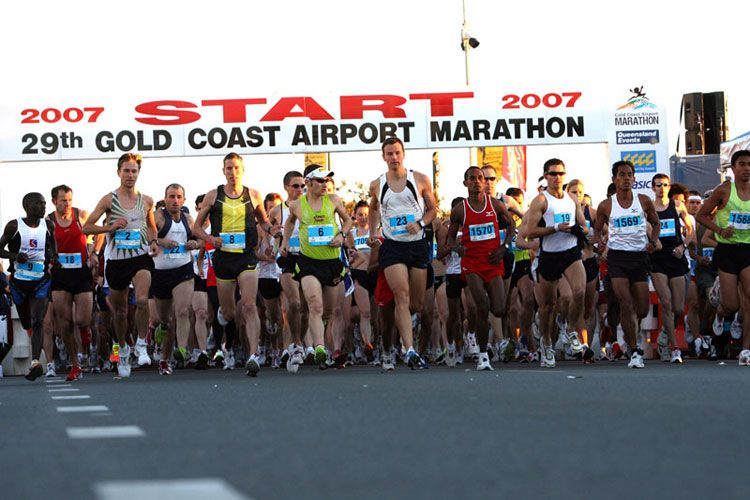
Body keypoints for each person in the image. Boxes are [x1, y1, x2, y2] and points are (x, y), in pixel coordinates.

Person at [193, 152, 280, 377]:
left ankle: (253, 355)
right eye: (229, 168)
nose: (233, 172)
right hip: (223, 259)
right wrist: (211, 239)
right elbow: (196, 228)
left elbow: (263, 221)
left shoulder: (254, 194)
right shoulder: (213, 195)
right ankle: (224, 315)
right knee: (230, 313)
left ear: (243, 170)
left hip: (246, 257)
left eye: (236, 168)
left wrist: (272, 230)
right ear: (223, 171)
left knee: (250, 305)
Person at [82, 153, 158, 377]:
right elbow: (86, 227)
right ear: (119, 172)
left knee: (143, 300)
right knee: (121, 313)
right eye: (126, 170)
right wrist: (110, 228)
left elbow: (152, 227)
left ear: (138, 174)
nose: (130, 175)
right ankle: (123, 349)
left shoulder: (147, 201)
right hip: (116, 261)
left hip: (140, 257)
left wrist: (153, 242)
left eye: (134, 171)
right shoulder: (109, 199)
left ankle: (142, 344)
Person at [367, 137, 437, 369]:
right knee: (401, 296)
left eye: (397, 153)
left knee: (416, 304)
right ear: (383, 157)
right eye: (389, 154)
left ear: (403, 154)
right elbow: (373, 208)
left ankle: (403, 332)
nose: (394, 158)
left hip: (417, 245)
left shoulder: (420, 179)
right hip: (392, 246)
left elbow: (433, 210)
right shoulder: (377, 184)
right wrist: (372, 231)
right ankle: (409, 350)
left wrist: (420, 223)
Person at [280, 164, 353, 369]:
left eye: (327, 180)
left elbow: (348, 221)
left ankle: (314, 340)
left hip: (331, 263)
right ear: (309, 183)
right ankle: (319, 348)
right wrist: (285, 240)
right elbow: (290, 223)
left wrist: (342, 235)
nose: (325, 184)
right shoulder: (297, 204)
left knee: (328, 312)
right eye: (320, 180)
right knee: (315, 305)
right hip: (308, 263)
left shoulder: (334, 200)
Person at [594, 160, 661, 368]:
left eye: (629, 175)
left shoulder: (644, 201)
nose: (625, 178)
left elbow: (656, 222)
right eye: (621, 175)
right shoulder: (606, 205)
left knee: (641, 309)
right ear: (615, 179)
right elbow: (596, 230)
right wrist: (600, 244)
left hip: (639, 258)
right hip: (617, 258)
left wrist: (653, 241)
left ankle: (632, 334)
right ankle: (633, 350)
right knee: (625, 302)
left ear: (634, 178)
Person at [445, 167, 514, 370]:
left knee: (499, 309)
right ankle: (483, 355)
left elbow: (511, 226)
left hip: (493, 261)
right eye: (472, 178)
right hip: (472, 263)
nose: (476, 181)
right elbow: (449, 237)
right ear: (465, 183)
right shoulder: (460, 210)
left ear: (485, 182)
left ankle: (475, 334)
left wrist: (504, 247)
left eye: (480, 178)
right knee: (481, 305)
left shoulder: (496, 205)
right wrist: (457, 247)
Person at [525, 159, 587, 368]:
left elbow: (583, 226)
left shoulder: (571, 199)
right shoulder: (541, 201)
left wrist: (579, 230)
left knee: (579, 292)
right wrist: (556, 228)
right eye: (553, 174)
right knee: (547, 306)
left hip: (570, 251)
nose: (557, 178)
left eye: (561, 174)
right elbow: (531, 232)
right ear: (545, 175)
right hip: (549, 255)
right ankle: (547, 343)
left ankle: (570, 330)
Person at [696, 149, 750, 366]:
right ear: (734, 168)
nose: (747, 168)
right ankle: (721, 314)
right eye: (743, 164)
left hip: (748, 249)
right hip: (727, 251)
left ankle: (746, 349)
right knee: (731, 304)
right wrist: (719, 229)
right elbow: (700, 215)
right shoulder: (724, 190)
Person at [0, 193, 57, 381]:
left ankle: (35, 362)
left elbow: (52, 248)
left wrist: (53, 257)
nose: (44, 206)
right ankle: (33, 348)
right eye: (40, 204)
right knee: (27, 322)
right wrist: (15, 256)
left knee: (38, 320)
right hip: (19, 283)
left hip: (41, 280)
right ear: (28, 206)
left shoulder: (48, 225)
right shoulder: (14, 226)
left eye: (44, 203)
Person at [48, 185, 97, 381]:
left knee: (82, 320)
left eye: (69, 199)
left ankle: (85, 336)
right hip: (60, 275)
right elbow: (44, 245)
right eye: (63, 200)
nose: (67, 204)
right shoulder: (49, 222)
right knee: (65, 323)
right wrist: (49, 261)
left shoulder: (82, 215)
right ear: (54, 201)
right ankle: (75, 365)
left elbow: (98, 232)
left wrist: (93, 252)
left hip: (81, 273)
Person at [152, 183, 201, 375]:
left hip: (183, 270)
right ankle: (163, 331)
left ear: (184, 200)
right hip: (161, 272)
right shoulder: (158, 216)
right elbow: (146, 235)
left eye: (179, 197)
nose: (175, 200)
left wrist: (194, 243)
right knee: (166, 319)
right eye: (171, 197)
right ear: (165, 199)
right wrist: (160, 241)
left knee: (182, 311)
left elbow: (201, 239)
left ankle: (181, 350)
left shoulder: (188, 218)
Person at [650, 174, 693, 363]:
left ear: (669, 187)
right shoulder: (648, 207)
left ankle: (664, 334)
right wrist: (653, 239)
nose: (662, 188)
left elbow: (690, 231)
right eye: (658, 185)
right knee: (665, 302)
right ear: (653, 188)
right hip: (657, 258)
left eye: (665, 185)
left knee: (677, 308)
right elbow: (646, 228)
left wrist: (683, 246)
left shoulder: (678, 206)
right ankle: (675, 347)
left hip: (676, 257)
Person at [268, 170, 307, 372]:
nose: (300, 189)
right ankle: (296, 345)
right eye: (295, 186)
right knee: (293, 303)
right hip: (287, 260)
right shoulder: (276, 211)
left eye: (302, 186)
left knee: (306, 309)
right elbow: (265, 232)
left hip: (308, 259)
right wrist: (273, 237)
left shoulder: (309, 207)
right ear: (286, 187)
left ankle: (295, 344)